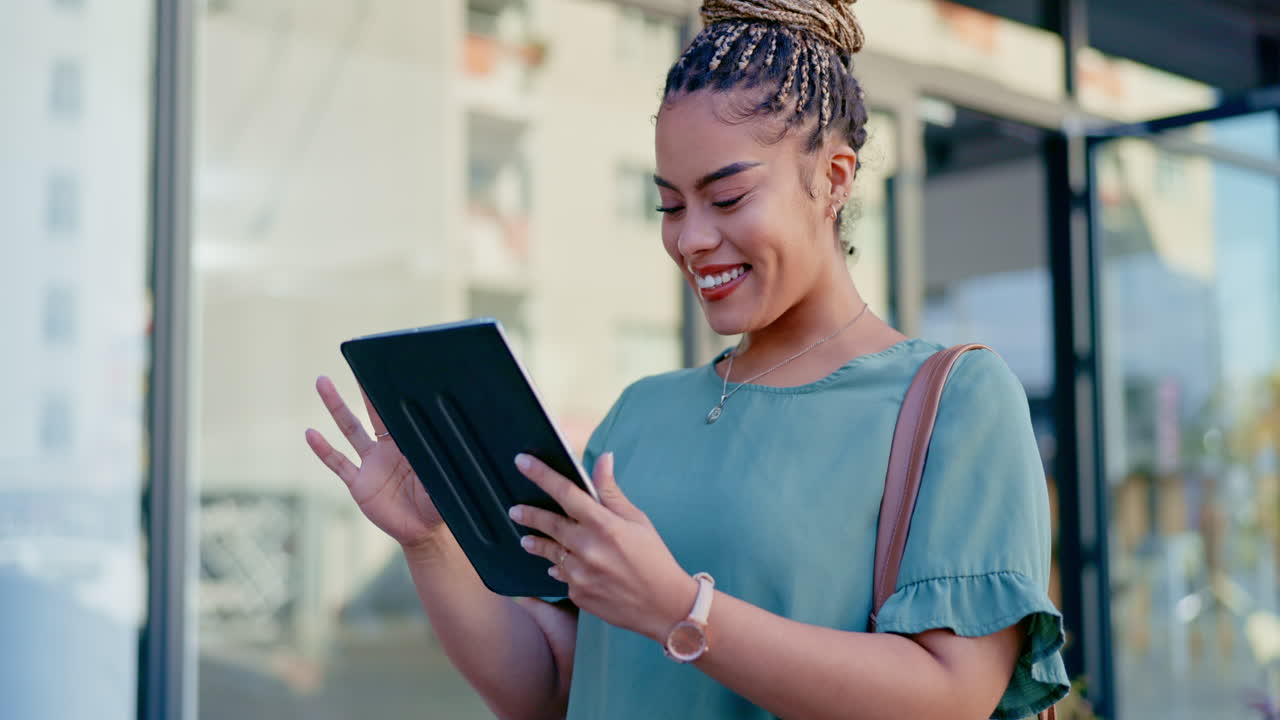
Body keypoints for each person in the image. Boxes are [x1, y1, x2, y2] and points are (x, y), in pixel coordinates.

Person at [304, 0, 1070, 717]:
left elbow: (953, 695)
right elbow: (552, 687)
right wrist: (430, 542)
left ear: (833, 179)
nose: (691, 238)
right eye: (669, 204)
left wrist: (681, 608)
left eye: (727, 199)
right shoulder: (640, 413)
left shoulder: (954, 399)